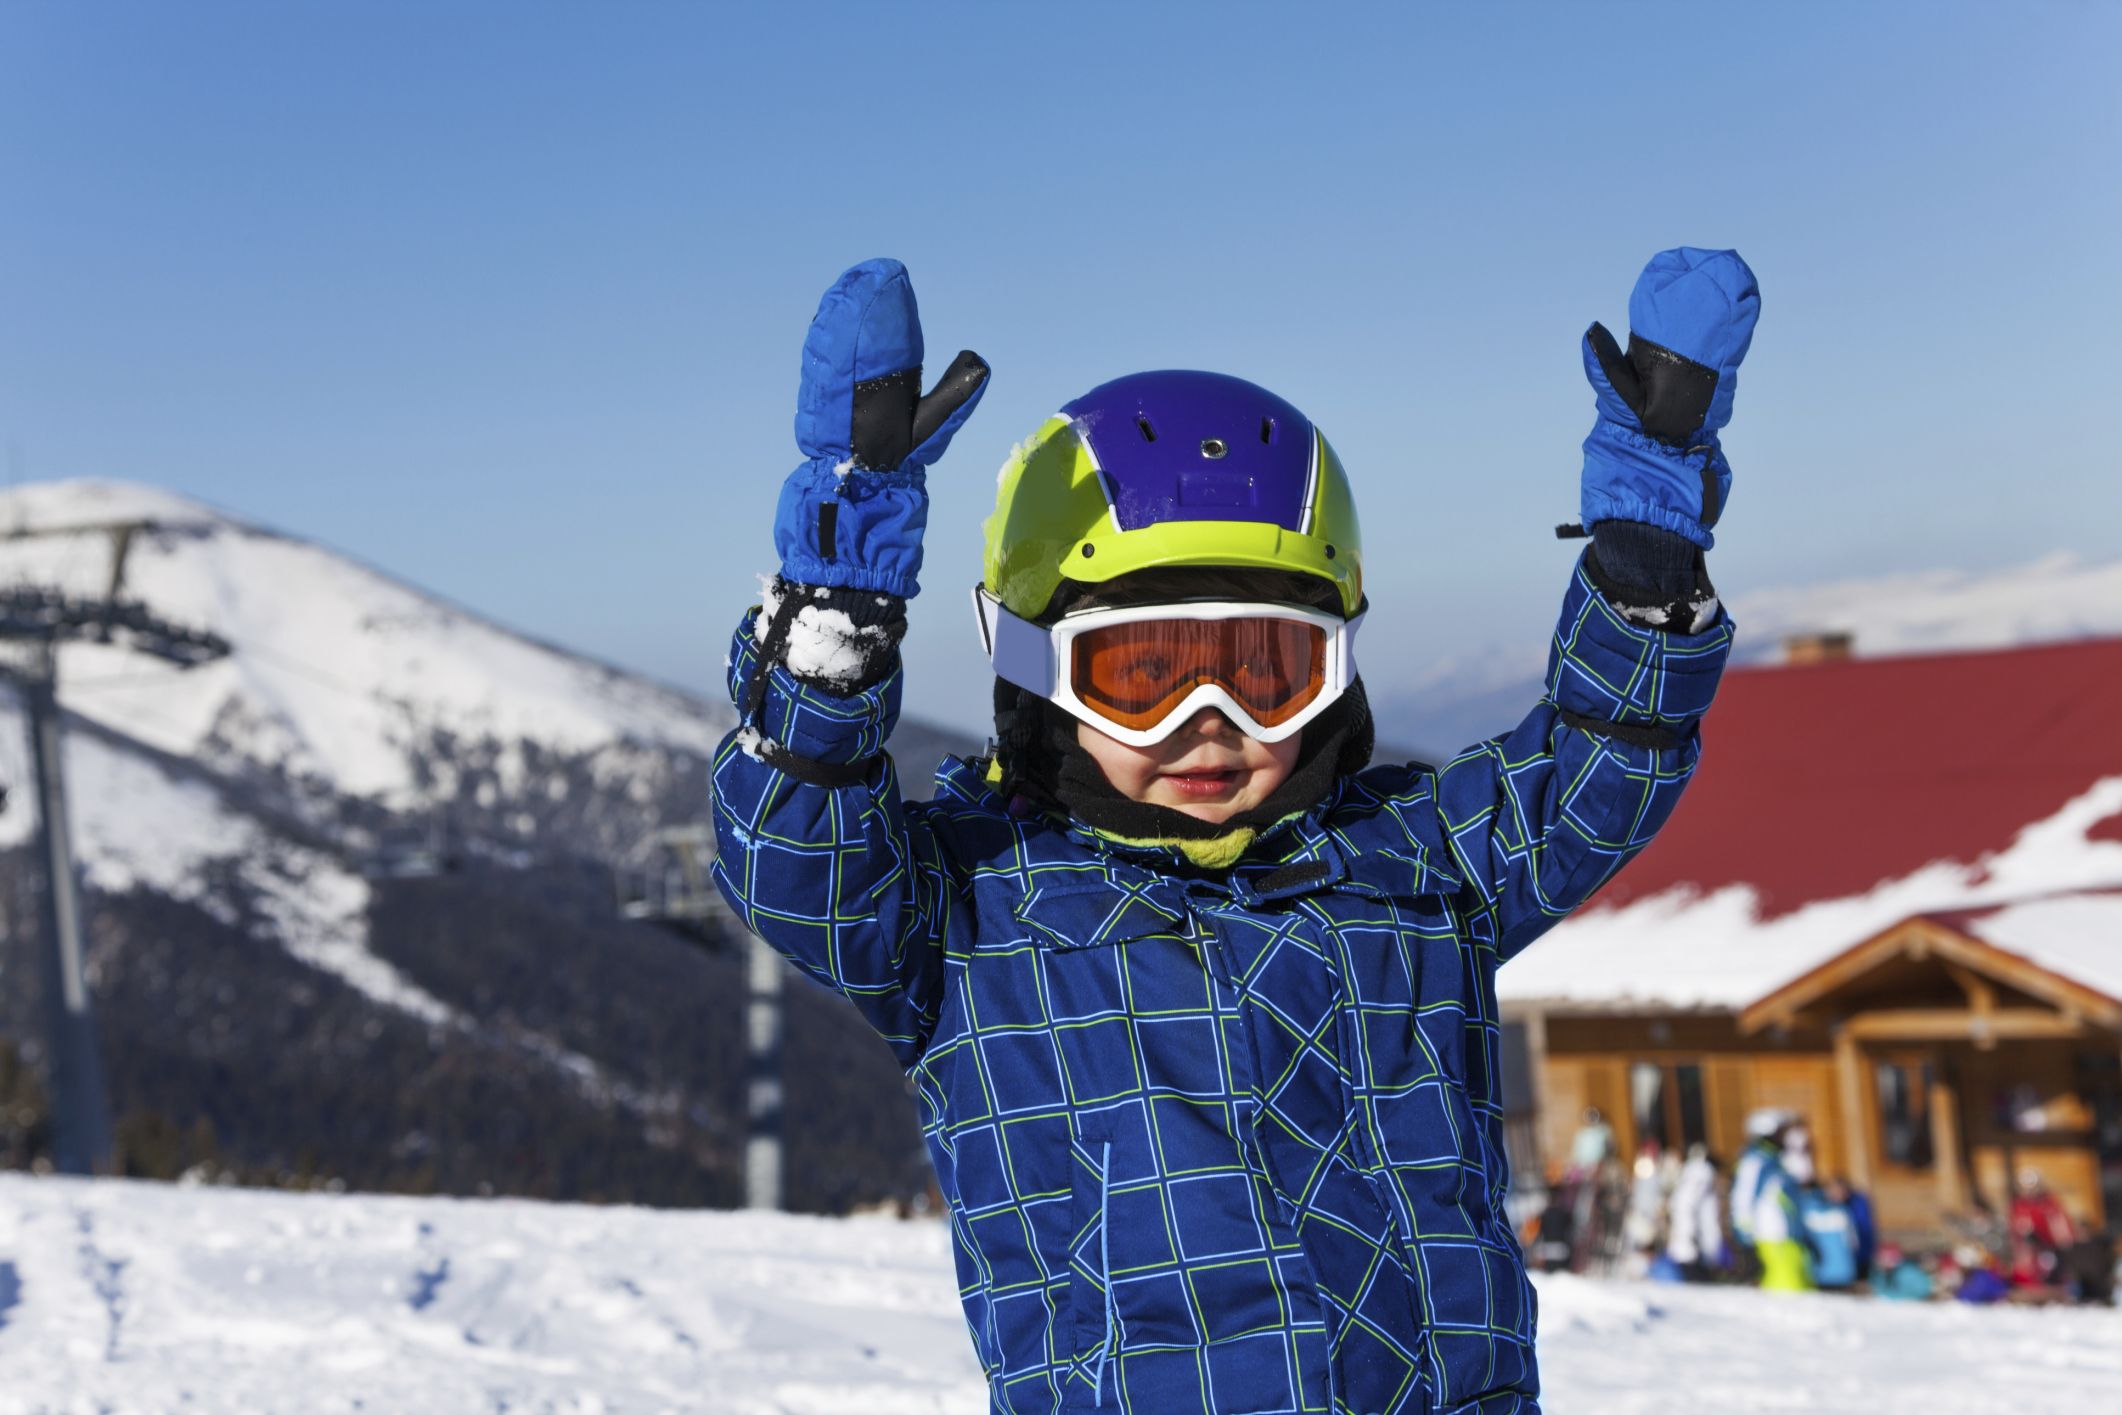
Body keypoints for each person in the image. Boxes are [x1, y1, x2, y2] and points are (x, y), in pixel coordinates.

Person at [712, 252, 1755, 1412]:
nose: (1210, 729)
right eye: (1141, 674)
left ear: (1338, 669)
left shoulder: (1417, 864)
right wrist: (832, 617)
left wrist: (1645, 555)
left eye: (1268, 670)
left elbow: (1600, 762)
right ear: (1033, 674)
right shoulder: (970, 914)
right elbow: (796, 854)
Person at [1752, 1121, 1815, 1293]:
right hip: (1777, 1233)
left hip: (1785, 1234)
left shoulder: (1774, 1169)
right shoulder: (1771, 1169)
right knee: (1785, 1281)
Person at [1665, 1143, 1726, 1281]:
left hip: (1693, 1240)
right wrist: (1690, 1234)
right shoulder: (1701, 1173)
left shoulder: (1690, 1172)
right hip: (1696, 1242)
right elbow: (1687, 1204)